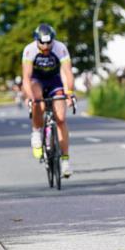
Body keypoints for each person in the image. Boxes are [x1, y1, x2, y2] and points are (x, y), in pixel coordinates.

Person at [22, 24, 74, 177]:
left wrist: (69, 93)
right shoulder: (29, 50)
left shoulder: (60, 48)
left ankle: (65, 161)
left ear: (53, 40)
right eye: (42, 43)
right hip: (37, 81)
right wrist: (29, 97)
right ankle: (36, 132)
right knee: (39, 101)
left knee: (61, 119)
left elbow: (67, 72)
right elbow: (26, 77)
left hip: (54, 80)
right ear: (36, 40)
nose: (45, 47)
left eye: (48, 43)